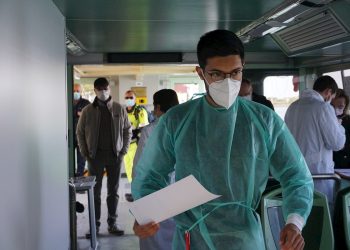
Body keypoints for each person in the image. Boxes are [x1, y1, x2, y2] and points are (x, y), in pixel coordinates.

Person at [132, 29, 313, 250]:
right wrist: (146, 213)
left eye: (235, 72)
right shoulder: (177, 121)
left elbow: (297, 177)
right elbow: (149, 176)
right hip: (193, 238)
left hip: (244, 239)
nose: (228, 82)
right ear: (201, 73)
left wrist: (294, 223)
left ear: (243, 67)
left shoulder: (264, 121)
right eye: (217, 74)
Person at [76, 77, 132, 236]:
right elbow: (79, 132)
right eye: (99, 89)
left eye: (105, 88)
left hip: (115, 156)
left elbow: (127, 130)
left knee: (113, 192)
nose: (103, 91)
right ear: (94, 90)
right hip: (95, 157)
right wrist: (85, 152)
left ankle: (112, 223)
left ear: (109, 89)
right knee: (94, 192)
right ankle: (95, 225)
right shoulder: (88, 110)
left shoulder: (118, 108)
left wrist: (123, 151)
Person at [285, 75, 345, 214]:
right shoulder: (323, 107)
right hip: (319, 176)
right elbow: (337, 143)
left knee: (298, 213)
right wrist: (339, 126)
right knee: (321, 216)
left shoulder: (293, 107)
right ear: (329, 92)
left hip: (295, 173)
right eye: (332, 96)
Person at [132, 89, 179, 250]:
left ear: (158, 107)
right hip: (182, 197)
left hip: (153, 199)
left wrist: (139, 204)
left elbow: (139, 170)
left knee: (154, 241)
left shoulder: (150, 131)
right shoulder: (186, 128)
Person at [124, 90, 149, 202]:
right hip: (125, 145)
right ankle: (134, 191)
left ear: (134, 98)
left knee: (137, 168)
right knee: (129, 168)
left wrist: (133, 131)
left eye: (131, 97)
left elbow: (144, 128)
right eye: (127, 97)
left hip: (136, 144)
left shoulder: (140, 111)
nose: (128, 100)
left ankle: (139, 192)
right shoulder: (123, 111)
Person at [73, 83, 91, 176]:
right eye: (74, 91)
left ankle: (79, 180)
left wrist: (82, 115)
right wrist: (77, 114)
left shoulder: (86, 103)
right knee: (69, 160)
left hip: (82, 136)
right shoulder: (66, 102)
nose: (76, 93)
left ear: (81, 92)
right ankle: (69, 181)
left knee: (81, 160)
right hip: (69, 137)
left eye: (77, 91)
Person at [331, 89, 350, 168]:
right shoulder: (323, 120)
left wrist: (344, 146)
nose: (335, 109)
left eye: (340, 107)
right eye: (332, 106)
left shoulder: (348, 121)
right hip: (329, 163)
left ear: (345, 106)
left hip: (345, 164)